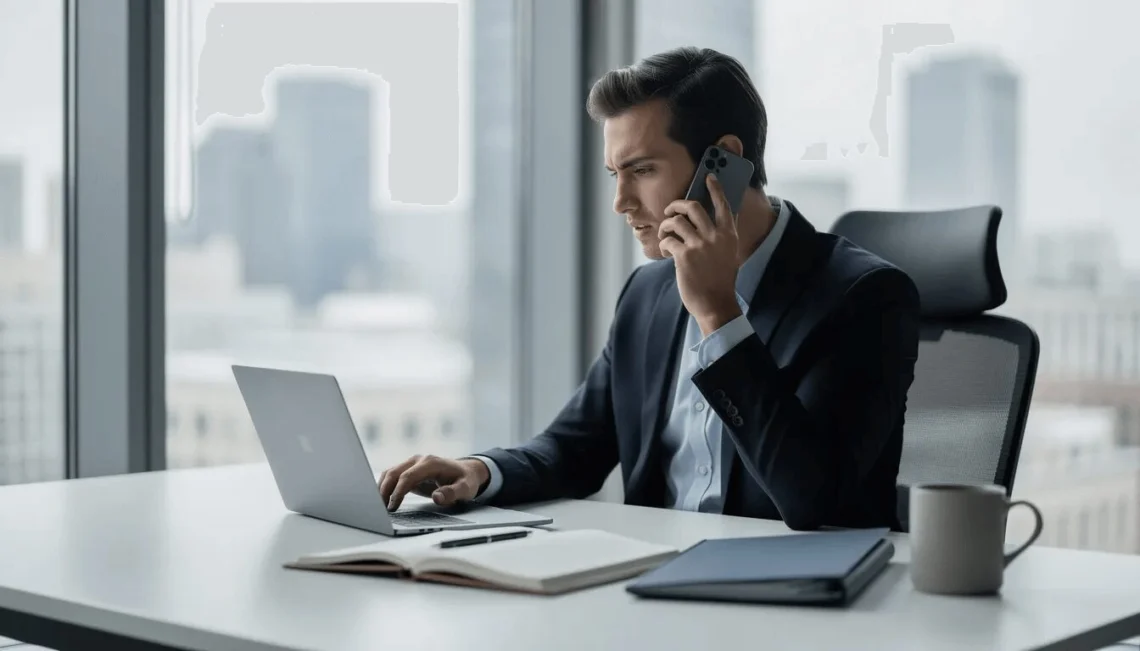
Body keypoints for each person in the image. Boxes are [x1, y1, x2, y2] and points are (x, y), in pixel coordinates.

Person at [379, 46, 920, 531]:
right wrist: (480, 471)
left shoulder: (863, 297)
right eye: (615, 173)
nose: (621, 202)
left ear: (725, 162)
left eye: (640, 170)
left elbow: (814, 501)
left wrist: (720, 318)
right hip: (652, 587)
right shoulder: (648, 293)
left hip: (799, 608)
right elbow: (576, 449)